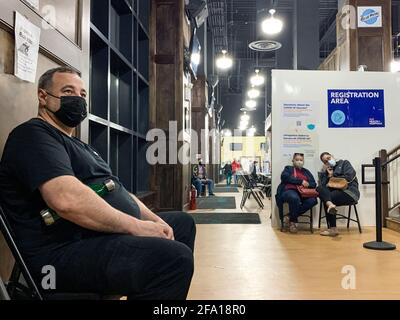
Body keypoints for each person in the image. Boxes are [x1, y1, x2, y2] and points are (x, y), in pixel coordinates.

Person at [0, 67, 196, 300]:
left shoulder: (82, 146)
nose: (78, 99)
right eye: (68, 91)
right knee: (174, 259)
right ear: (43, 97)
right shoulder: (33, 135)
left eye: (82, 94)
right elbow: (66, 200)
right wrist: (136, 226)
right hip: (56, 258)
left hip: (90, 238)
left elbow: (116, 189)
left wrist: (153, 221)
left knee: (181, 224)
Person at [317, 152, 360, 237]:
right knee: (320, 189)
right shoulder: (327, 171)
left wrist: (334, 176)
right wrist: (329, 175)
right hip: (336, 193)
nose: (328, 161)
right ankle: (330, 205)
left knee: (327, 198)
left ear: (332, 156)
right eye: (325, 161)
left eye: (329, 158)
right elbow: (323, 187)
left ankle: (333, 228)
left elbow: (350, 176)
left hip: (350, 192)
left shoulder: (344, 163)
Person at [276, 153, 318, 233]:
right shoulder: (288, 169)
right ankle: (293, 222)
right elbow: (285, 177)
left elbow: (313, 184)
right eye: (297, 160)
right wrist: (301, 181)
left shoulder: (306, 171)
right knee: (294, 198)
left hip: (303, 193)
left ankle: (289, 216)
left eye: (301, 160)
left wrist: (308, 184)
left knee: (313, 200)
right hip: (289, 191)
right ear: (293, 160)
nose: (299, 161)